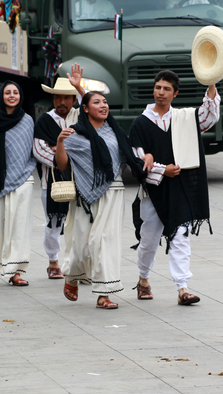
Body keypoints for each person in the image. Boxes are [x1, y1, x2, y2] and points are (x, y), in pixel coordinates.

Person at [129, 70, 219, 304]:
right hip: (153, 190)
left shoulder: (182, 118)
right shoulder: (140, 122)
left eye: (166, 89)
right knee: (149, 240)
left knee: (180, 236)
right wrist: (162, 170)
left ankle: (183, 288)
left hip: (179, 188)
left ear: (175, 93)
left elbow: (208, 119)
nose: (161, 92)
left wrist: (211, 85)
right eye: (158, 87)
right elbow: (137, 159)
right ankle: (144, 279)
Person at [56, 91, 147, 309]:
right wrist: (60, 141)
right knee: (80, 247)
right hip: (83, 199)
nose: (103, 105)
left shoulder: (115, 133)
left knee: (104, 241)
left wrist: (148, 157)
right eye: (97, 102)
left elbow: (132, 154)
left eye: (105, 102)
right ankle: (71, 276)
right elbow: (61, 165)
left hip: (113, 192)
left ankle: (104, 293)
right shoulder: (74, 135)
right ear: (85, 109)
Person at [33, 63, 86, 280]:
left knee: (78, 223)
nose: (61, 102)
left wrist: (62, 149)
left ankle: (75, 262)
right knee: (53, 222)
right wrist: (61, 159)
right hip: (52, 181)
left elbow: (92, 109)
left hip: (79, 181)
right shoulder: (45, 121)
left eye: (66, 97)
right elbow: (38, 149)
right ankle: (53, 260)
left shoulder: (79, 118)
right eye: (57, 98)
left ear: (73, 99)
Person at [0, 81, 36, 287]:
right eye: (7, 92)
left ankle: (17, 271)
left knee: (20, 227)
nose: (12, 96)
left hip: (23, 179)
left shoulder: (27, 120)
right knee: (3, 227)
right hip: (1, 181)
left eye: (15, 92)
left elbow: (31, 149)